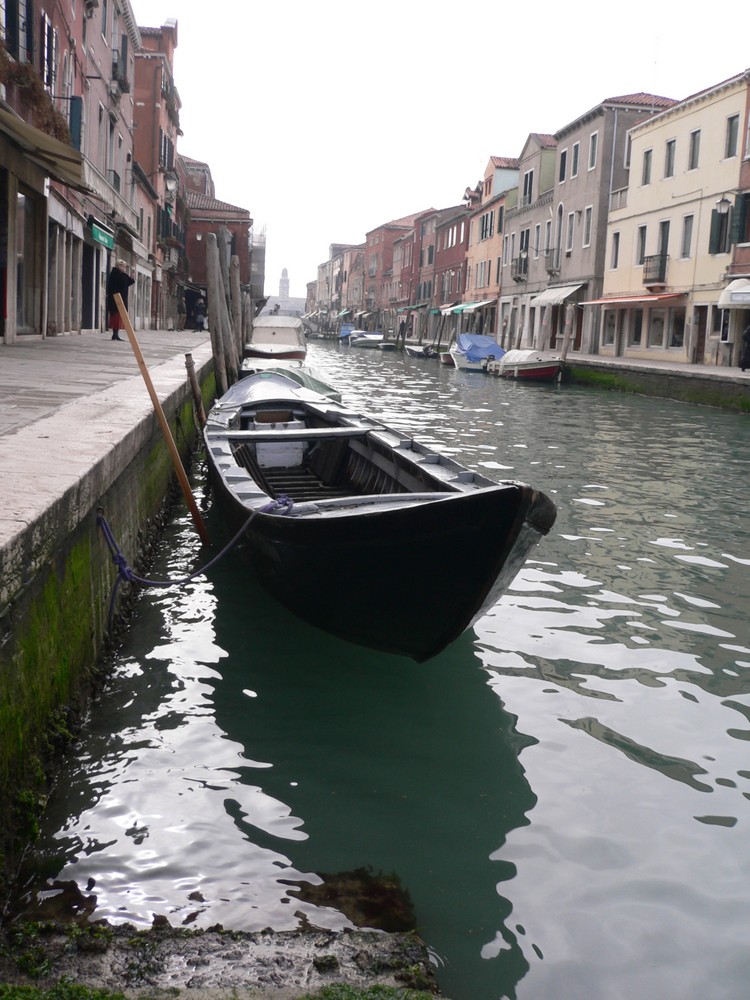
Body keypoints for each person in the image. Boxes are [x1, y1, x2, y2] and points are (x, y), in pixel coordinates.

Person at [106, 259, 135, 341]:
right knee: (116, 317)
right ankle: (115, 334)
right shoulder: (115, 274)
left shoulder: (122, 275)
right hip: (116, 299)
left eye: (125, 266)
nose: (124, 268)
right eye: (123, 266)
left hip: (121, 299)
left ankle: (116, 333)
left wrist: (131, 279)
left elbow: (126, 284)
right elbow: (120, 283)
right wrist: (127, 278)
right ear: (118, 266)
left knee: (119, 317)